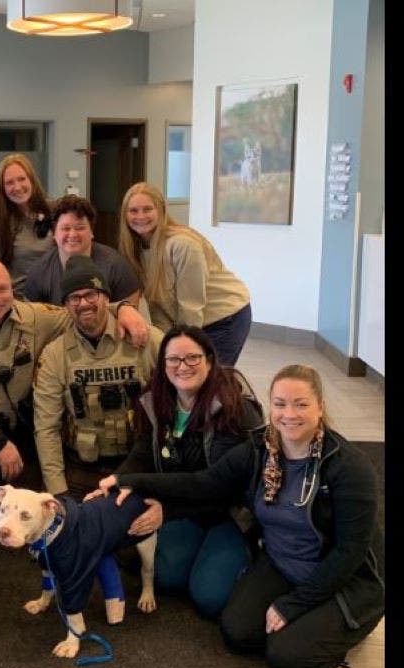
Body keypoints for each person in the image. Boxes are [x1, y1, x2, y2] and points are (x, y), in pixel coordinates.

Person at [95, 364, 384, 668]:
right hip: (283, 564)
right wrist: (130, 479)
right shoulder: (261, 447)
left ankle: (346, 626)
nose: (289, 414)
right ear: (270, 406)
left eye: (301, 404)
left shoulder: (350, 468)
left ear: (321, 408)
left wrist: (294, 605)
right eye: (280, 404)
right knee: (238, 632)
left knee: (287, 658)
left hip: (342, 576)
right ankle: (310, 629)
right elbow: (204, 483)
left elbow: (350, 553)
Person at [0, 258, 150, 496]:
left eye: (3, 289)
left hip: (23, 434)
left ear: (13, 289)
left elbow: (83, 311)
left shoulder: (36, 317)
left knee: (31, 512)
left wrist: (123, 308)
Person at [105, 324, 264, 619]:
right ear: (163, 364)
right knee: (166, 578)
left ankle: (246, 558)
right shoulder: (157, 401)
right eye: (173, 359)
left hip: (229, 513)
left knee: (210, 598)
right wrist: (117, 485)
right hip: (187, 511)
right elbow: (141, 453)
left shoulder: (235, 410)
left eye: (192, 358)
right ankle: (198, 555)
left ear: (210, 360)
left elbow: (218, 486)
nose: (183, 366)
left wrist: (166, 507)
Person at [33, 255, 163, 500]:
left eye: (91, 294)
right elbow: (46, 427)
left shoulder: (146, 339)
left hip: (138, 465)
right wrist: (57, 490)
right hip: (81, 469)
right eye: (74, 297)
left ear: (107, 298)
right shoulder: (54, 355)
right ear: (65, 305)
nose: (83, 303)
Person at [117, 182, 253, 366]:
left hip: (224, 318)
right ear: (125, 215)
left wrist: (183, 348)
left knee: (209, 381)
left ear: (161, 211)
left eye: (147, 209)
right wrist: (165, 344)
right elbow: (157, 306)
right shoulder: (135, 249)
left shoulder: (182, 245)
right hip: (194, 320)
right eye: (133, 211)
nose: (140, 216)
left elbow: (191, 308)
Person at [22, 194, 143, 307]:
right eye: (65, 228)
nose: (73, 234)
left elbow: (130, 312)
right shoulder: (39, 271)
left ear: (91, 232)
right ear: (54, 234)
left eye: (80, 227)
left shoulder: (115, 266)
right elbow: (33, 319)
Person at [0, 154, 55, 296]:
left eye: (22, 179)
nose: (17, 187)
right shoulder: (0, 224)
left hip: (55, 299)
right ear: (2, 189)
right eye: (9, 183)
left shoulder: (55, 211)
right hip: (19, 302)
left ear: (32, 180)